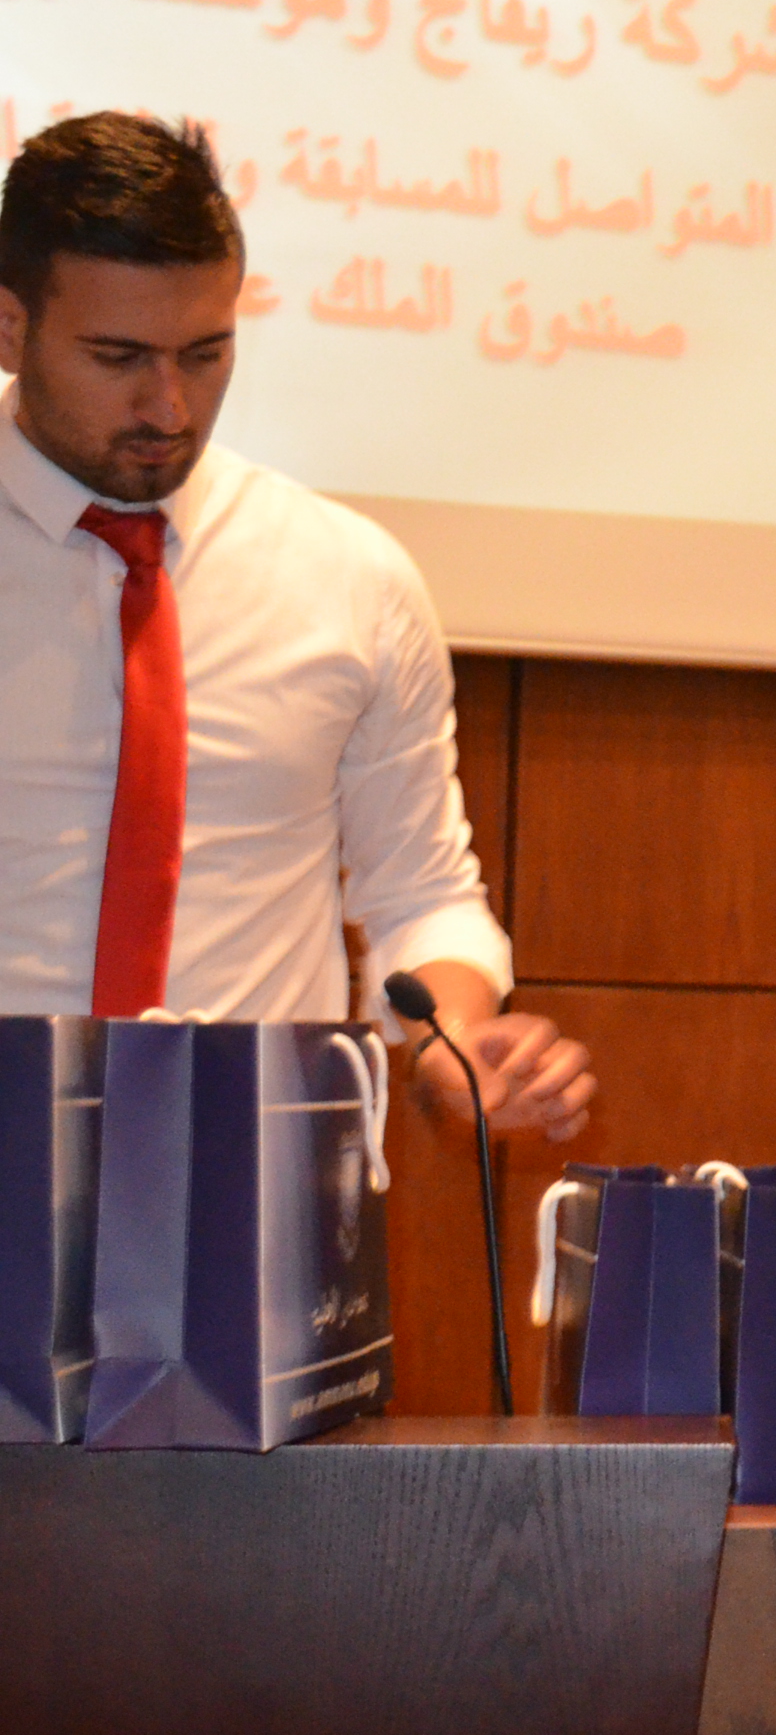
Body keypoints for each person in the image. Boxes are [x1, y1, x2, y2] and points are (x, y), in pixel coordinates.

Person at [0, 112, 589, 1134]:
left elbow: (422, 893)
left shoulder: (348, 577)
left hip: (257, 1179)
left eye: (206, 353)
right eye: (118, 356)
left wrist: (453, 1044)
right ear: (11, 328)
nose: (170, 407)